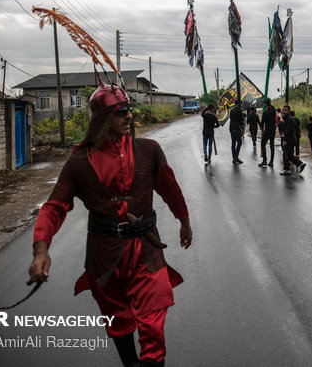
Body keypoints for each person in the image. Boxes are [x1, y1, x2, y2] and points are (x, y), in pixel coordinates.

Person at [27, 81, 193, 367]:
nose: (129, 116)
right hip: (104, 257)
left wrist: (184, 221)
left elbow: (169, 187)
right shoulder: (79, 162)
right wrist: (41, 250)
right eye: (120, 112)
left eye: (129, 109)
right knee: (119, 323)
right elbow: (54, 206)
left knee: (152, 324)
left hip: (146, 252)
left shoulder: (149, 150)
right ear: (103, 119)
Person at [279, 104, 306, 176]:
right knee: (290, 155)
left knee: (285, 154)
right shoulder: (288, 118)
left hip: (289, 139)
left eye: (285, 110)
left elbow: (287, 131)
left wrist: (285, 140)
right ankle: (300, 164)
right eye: (283, 110)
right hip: (292, 139)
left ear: (288, 111)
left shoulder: (289, 120)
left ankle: (287, 170)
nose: (284, 111)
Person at [258, 98, 276, 168]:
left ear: (265, 104)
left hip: (267, 130)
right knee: (272, 146)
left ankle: (264, 160)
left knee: (263, 144)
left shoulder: (265, 113)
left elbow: (262, 122)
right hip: (273, 130)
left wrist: (261, 127)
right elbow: (273, 107)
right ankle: (271, 161)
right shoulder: (274, 110)